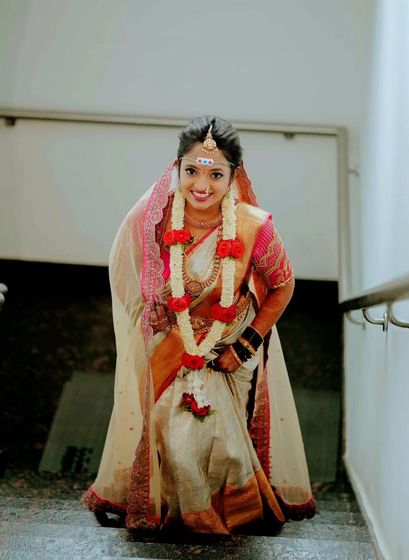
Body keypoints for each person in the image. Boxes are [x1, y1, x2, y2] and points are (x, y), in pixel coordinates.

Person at [81, 116, 318, 533]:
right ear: (177, 169)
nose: (201, 184)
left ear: (233, 176)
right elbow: (131, 275)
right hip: (172, 343)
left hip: (230, 347)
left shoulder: (254, 227)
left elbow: (283, 285)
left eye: (215, 174)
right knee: (172, 433)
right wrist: (156, 319)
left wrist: (245, 343)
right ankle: (181, 514)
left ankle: (234, 509)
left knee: (224, 445)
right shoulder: (155, 218)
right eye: (191, 171)